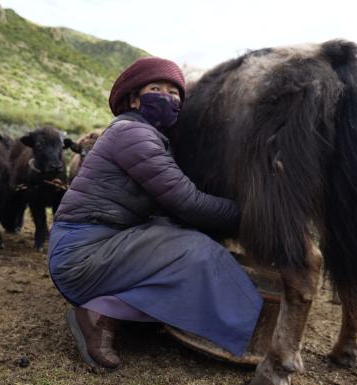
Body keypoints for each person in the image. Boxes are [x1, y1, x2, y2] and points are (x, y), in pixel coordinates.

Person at [48, 57, 263, 369]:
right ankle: (96, 317)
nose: (167, 96)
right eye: (156, 88)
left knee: (181, 240)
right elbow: (186, 201)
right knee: (196, 252)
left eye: (174, 92)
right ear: (135, 98)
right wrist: (249, 216)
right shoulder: (132, 135)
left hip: (102, 243)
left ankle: (115, 310)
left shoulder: (152, 137)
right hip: (80, 254)